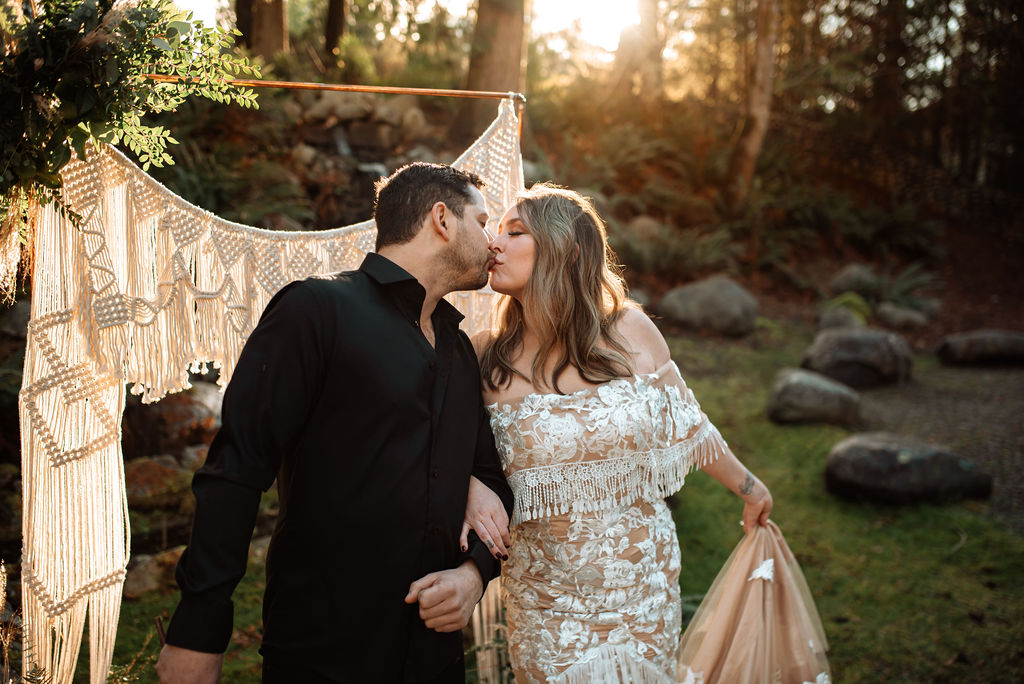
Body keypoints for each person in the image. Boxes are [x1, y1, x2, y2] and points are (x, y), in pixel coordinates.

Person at [155, 162, 514, 684]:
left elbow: (492, 475)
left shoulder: (459, 349)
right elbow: (236, 471)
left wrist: (473, 575)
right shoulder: (315, 310)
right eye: (482, 222)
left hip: (433, 657)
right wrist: (197, 630)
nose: (491, 241)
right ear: (442, 218)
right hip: (323, 648)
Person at [460, 183, 774, 682]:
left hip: (643, 585)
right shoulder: (480, 355)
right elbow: (449, 453)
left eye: (514, 231)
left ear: (569, 250)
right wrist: (472, 486)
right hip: (546, 600)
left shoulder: (631, 330)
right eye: (495, 232)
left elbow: (689, 424)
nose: (493, 244)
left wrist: (749, 487)